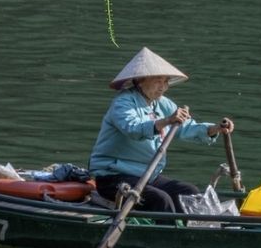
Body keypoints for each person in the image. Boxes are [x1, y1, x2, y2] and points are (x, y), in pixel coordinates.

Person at [89, 47, 235, 214]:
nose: (164, 87)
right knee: (160, 199)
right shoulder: (123, 103)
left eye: (166, 81)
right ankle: (170, 236)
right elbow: (134, 129)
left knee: (189, 191)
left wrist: (215, 128)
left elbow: (185, 128)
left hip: (147, 176)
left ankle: (191, 230)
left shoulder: (162, 103)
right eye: (158, 81)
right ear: (140, 80)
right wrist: (167, 120)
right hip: (113, 177)